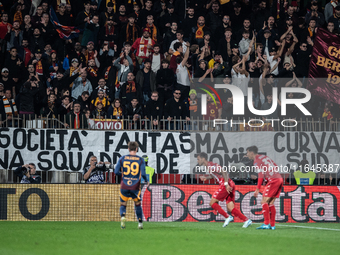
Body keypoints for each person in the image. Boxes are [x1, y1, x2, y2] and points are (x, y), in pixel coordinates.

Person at [197, 152, 252, 228]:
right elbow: (216, 175)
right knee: (230, 208)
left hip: (225, 184)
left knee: (212, 203)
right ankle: (246, 220)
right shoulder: (209, 166)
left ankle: (227, 217)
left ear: (203, 159)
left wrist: (226, 184)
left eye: (198, 159)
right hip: (230, 183)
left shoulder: (211, 165)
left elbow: (224, 172)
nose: (197, 161)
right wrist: (207, 178)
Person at [246, 145, 283, 230]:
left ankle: (266, 224)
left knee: (263, 202)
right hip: (279, 178)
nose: (247, 154)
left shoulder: (256, 161)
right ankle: (272, 225)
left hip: (273, 180)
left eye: (247, 152)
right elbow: (276, 166)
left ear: (252, 153)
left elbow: (260, 174)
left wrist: (257, 189)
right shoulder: (265, 157)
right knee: (270, 203)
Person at [114, 141, 149, 229]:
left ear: (128, 149)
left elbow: (115, 172)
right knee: (137, 204)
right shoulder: (140, 160)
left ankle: (122, 217)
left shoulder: (122, 158)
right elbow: (143, 173)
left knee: (123, 204)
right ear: (137, 149)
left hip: (124, 185)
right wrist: (146, 181)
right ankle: (140, 223)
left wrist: (123, 175)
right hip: (135, 186)